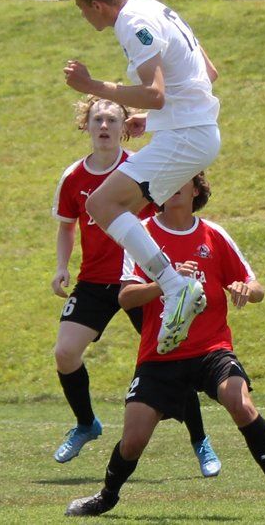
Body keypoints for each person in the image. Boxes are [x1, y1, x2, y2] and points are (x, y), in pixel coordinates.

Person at [65, 174, 265, 521]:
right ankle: (106, 498)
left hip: (211, 348)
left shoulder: (213, 234)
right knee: (133, 440)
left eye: (182, 178)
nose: (172, 184)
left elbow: (256, 287)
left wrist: (245, 288)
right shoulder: (142, 234)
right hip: (161, 354)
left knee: (239, 402)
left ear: (196, 189)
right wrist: (167, 280)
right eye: (166, 179)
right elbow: (125, 296)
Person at [58, 0, 221, 356]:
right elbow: (208, 74)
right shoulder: (154, 7)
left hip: (189, 138)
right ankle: (174, 286)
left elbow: (155, 93)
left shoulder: (132, 23)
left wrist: (92, 86)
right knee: (109, 205)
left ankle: (174, 286)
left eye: (82, 9)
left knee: (101, 204)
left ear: (97, 4)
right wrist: (152, 122)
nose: (84, 16)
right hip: (189, 132)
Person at [51, 96, 220, 477]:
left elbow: (170, 212)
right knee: (65, 353)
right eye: (98, 119)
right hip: (94, 282)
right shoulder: (73, 177)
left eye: (113, 119)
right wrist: (61, 267)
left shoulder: (139, 168)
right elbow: (66, 226)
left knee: (173, 357)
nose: (105, 126)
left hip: (142, 279)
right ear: (87, 126)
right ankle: (86, 424)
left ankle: (200, 441)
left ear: (126, 125)